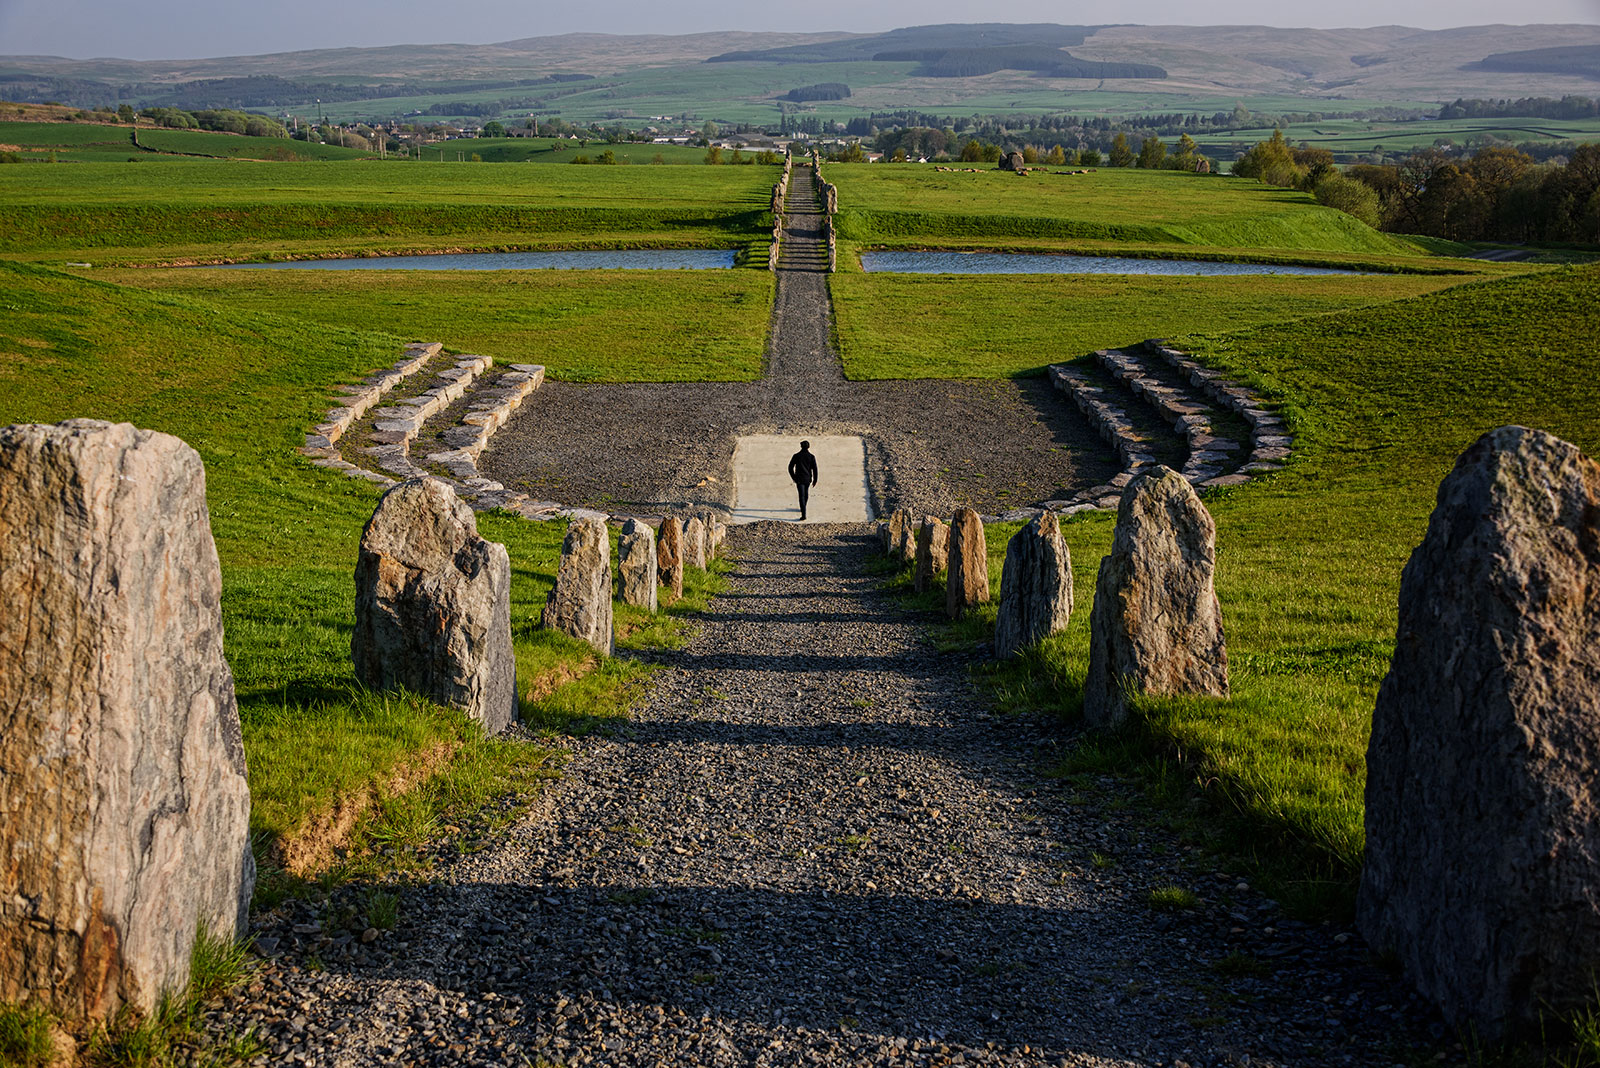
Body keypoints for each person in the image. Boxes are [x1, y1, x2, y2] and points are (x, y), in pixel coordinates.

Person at [787, 440, 819, 521]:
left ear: (801, 446)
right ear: (809, 447)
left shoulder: (796, 456)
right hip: (807, 479)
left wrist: (793, 477)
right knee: (806, 494)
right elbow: (815, 469)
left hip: (799, 479)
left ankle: (803, 513)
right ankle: (803, 508)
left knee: (801, 496)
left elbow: (790, 467)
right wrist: (815, 480)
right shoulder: (811, 457)